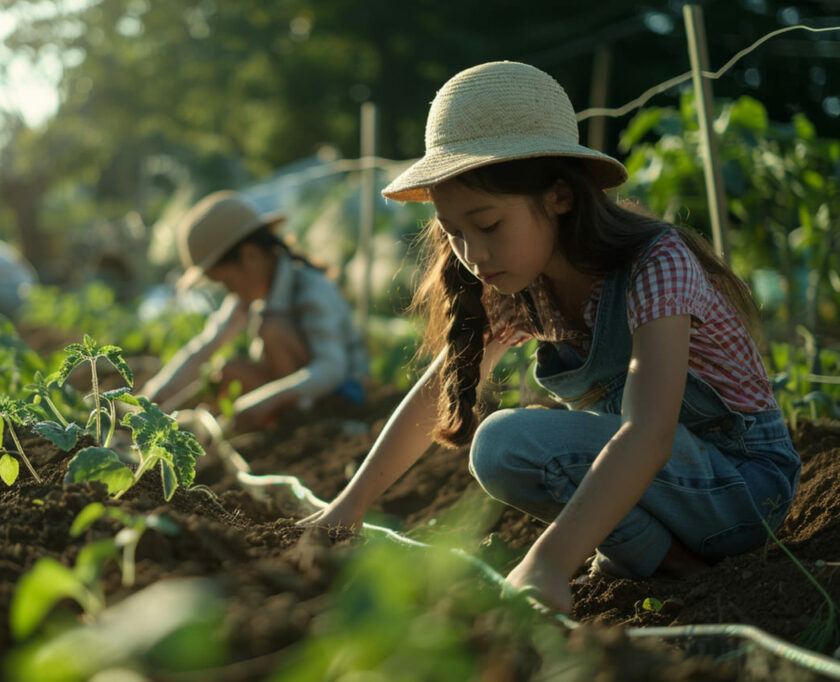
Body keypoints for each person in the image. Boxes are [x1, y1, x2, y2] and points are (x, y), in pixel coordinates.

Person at [301, 61, 800, 615]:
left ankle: (657, 557)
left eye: (488, 226)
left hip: (742, 491)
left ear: (560, 196)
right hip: (664, 490)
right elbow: (437, 389)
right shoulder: (521, 288)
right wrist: (348, 507)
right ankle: (671, 563)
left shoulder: (655, 264)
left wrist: (548, 562)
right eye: (455, 234)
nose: (472, 254)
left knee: (514, 438)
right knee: (501, 449)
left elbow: (649, 433)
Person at [140, 191, 368, 429]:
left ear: (250, 255)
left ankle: (312, 424)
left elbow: (331, 369)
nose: (229, 291)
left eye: (226, 281)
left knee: (272, 329)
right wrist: (150, 399)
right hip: (298, 394)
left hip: (343, 393)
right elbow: (206, 347)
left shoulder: (311, 288)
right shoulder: (245, 300)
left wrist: (263, 401)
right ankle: (281, 423)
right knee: (229, 372)